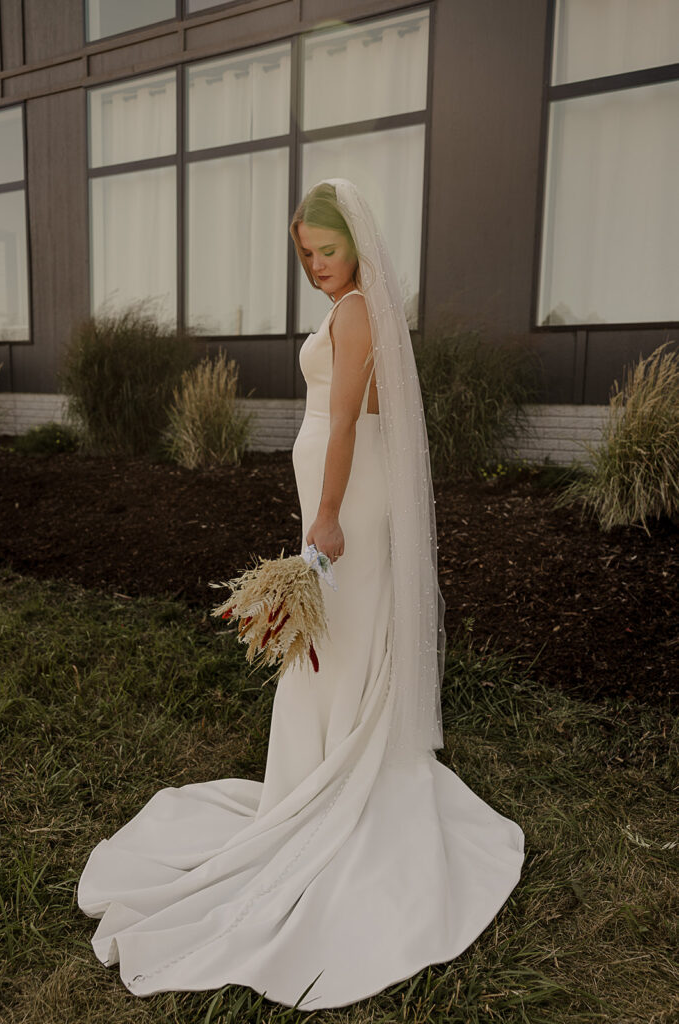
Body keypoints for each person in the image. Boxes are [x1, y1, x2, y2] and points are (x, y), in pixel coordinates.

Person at [77, 178, 525, 1011]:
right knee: (333, 631)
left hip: (344, 500)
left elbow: (352, 420)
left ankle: (339, 772)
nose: (316, 266)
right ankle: (319, 765)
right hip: (339, 493)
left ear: (355, 245)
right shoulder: (352, 313)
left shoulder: (356, 310)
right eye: (306, 255)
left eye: (327, 250)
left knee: (340, 632)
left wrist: (325, 513)